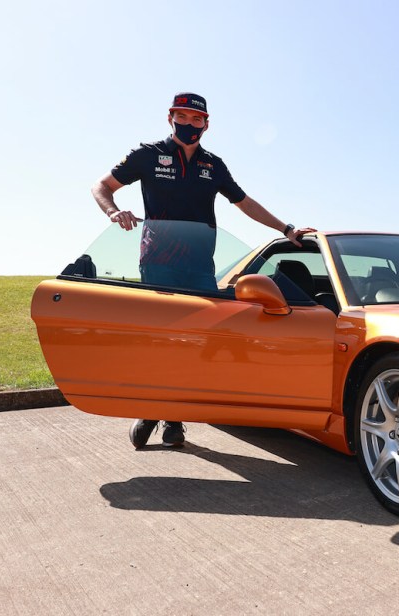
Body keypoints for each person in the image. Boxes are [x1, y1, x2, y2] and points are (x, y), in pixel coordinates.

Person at [91, 92, 315, 450]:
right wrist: (113, 211)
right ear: (171, 117)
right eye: (184, 116)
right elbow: (101, 186)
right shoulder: (147, 155)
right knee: (160, 338)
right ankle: (159, 413)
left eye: (198, 119)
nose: (190, 124)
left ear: (206, 124)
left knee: (194, 341)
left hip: (199, 267)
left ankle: (171, 411)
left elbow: (244, 202)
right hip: (158, 263)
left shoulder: (214, 165)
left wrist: (286, 229)